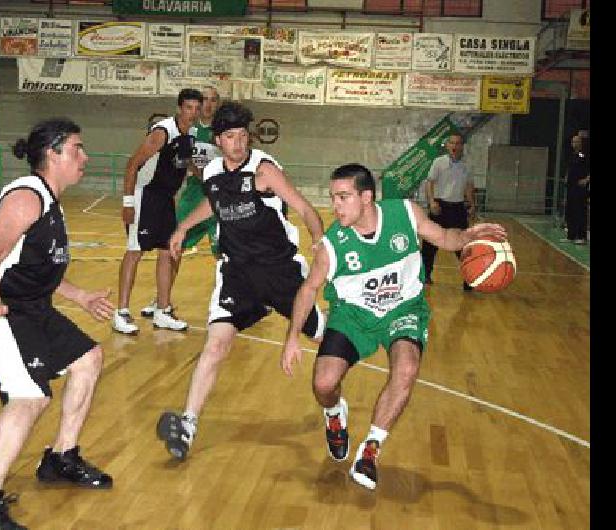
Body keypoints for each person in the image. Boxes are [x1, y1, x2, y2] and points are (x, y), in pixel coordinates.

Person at [281, 163, 507, 491]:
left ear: (367, 197)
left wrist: (468, 235)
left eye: (343, 197)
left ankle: (370, 451)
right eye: (333, 198)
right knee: (323, 384)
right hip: (354, 315)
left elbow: (444, 237)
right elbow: (307, 290)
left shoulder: (405, 213)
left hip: (404, 308)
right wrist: (291, 338)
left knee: (407, 368)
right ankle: (334, 413)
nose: (335, 205)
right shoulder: (333, 244)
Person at [0, 119, 114, 529]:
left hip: (29, 306)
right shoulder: (26, 198)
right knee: (29, 397)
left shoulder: (50, 202)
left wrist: (79, 296)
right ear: (53, 153)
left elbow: (35, 267)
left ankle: (61, 458)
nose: (85, 157)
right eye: (77, 148)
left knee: (88, 359)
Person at [155, 101, 326, 461]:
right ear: (218, 139)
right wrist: (183, 226)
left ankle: (333, 408)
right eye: (230, 137)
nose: (238, 143)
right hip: (237, 273)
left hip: (279, 270)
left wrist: (318, 240)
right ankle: (188, 424)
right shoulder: (214, 170)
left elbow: (306, 209)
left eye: (243, 136)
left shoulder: (264, 170)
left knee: (324, 338)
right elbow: (214, 203)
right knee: (215, 346)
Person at [112, 88, 203, 335]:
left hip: (165, 200)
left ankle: (162, 310)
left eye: (196, 108)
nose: (192, 113)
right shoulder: (163, 132)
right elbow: (132, 164)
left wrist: (204, 177)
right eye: (188, 108)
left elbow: (185, 162)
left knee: (168, 252)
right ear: (179, 108)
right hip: (145, 196)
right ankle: (120, 312)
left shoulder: (191, 134)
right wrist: (128, 202)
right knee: (135, 251)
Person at [139, 85, 222, 318]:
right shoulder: (186, 130)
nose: (207, 104)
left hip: (218, 201)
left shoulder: (223, 131)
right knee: (173, 247)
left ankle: (229, 302)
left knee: (225, 254)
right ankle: (161, 299)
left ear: (218, 104)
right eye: (204, 99)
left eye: (213, 100)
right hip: (192, 198)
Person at [420, 133, 476, 290]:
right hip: (440, 207)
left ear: (462, 146)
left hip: (458, 208)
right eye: (452, 143)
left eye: (458, 143)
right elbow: (429, 183)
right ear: (447, 145)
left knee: (463, 246)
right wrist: (431, 202)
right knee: (430, 244)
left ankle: (469, 279)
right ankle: (425, 276)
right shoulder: (438, 162)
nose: (454, 146)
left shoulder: (467, 166)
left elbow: (469, 187)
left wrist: (472, 204)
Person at [563, 131, 590, 245]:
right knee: (570, 210)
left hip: (580, 187)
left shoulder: (585, 155)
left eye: (577, 141)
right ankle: (571, 236)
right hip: (571, 186)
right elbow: (570, 168)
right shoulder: (572, 154)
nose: (574, 143)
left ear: (581, 143)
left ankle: (581, 236)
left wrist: (587, 179)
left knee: (580, 211)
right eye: (573, 142)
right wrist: (566, 177)